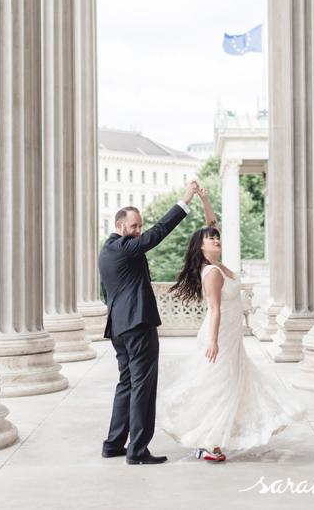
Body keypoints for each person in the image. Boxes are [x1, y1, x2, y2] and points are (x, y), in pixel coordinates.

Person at [156, 187, 307, 461]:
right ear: (199, 247)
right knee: (217, 386)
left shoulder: (221, 264)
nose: (215, 239)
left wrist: (204, 199)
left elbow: (212, 224)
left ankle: (213, 438)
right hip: (218, 336)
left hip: (231, 337)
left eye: (216, 238)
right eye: (209, 239)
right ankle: (207, 444)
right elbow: (214, 309)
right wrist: (213, 341)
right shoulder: (211, 272)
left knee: (232, 383)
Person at [98, 181, 198, 465]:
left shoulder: (107, 251)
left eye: (140, 226)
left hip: (119, 326)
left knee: (127, 384)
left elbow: (108, 293)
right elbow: (159, 232)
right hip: (137, 324)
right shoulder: (125, 247)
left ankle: (113, 444)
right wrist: (184, 201)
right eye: (134, 227)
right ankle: (138, 450)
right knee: (143, 385)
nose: (139, 231)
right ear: (120, 225)